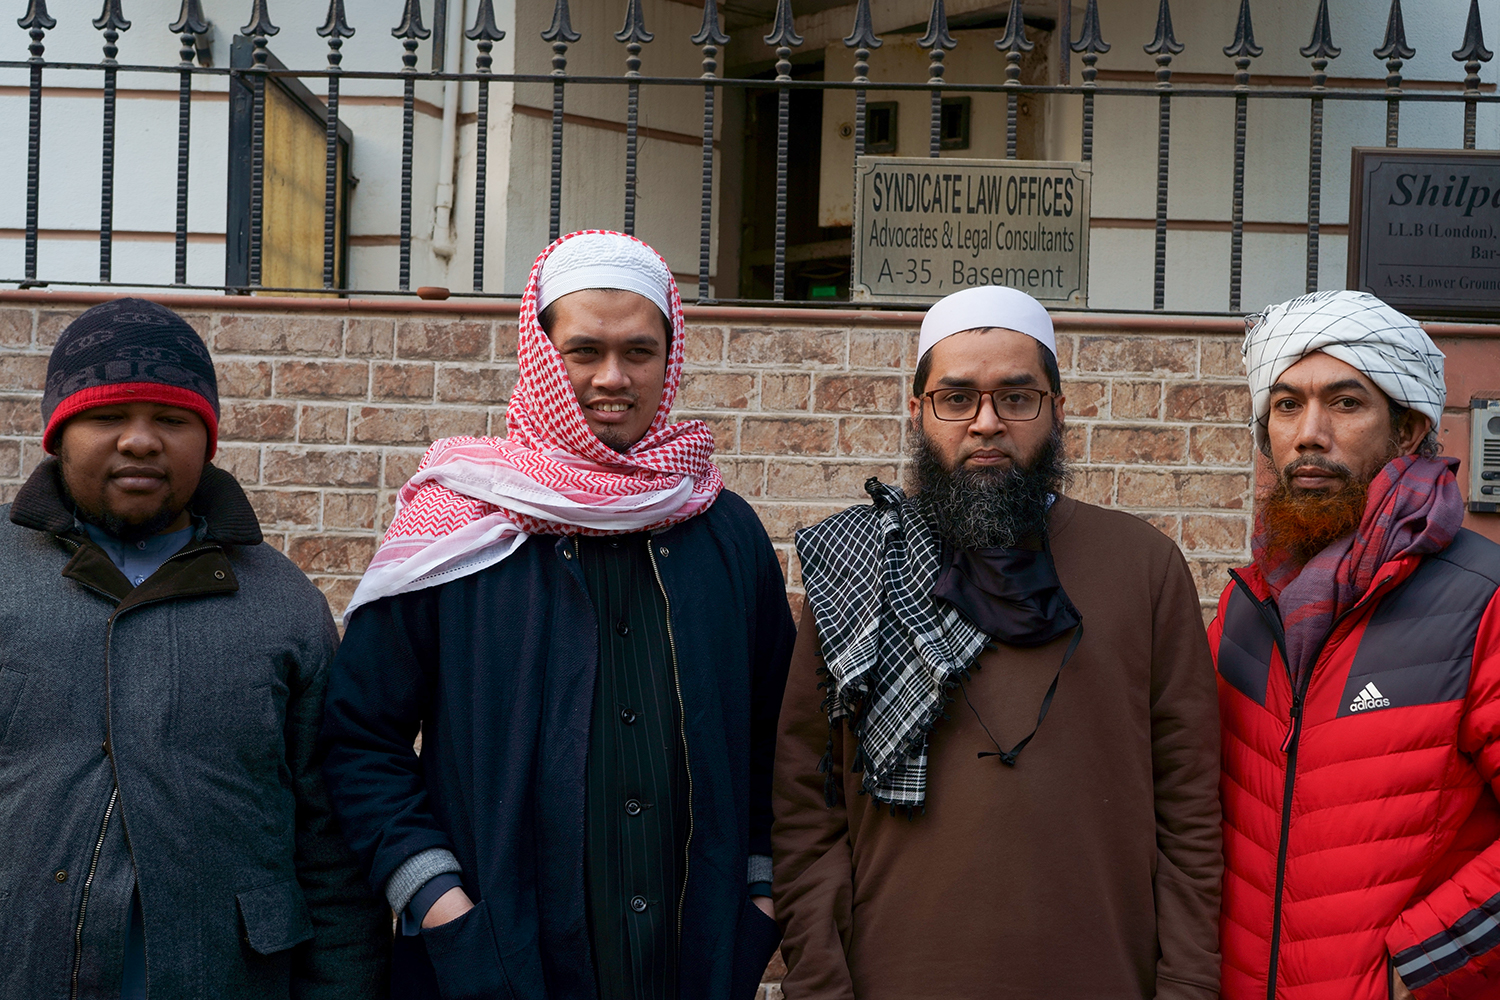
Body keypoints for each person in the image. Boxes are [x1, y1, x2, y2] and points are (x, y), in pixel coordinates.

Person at [321, 230, 796, 1000]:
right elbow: (358, 737)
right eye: (584, 351)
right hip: (493, 962)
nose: (613, 378)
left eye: (639, 352)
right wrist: (440, 902)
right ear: (542, 354)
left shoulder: (723, 530)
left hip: (694, 963)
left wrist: (759, 896)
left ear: (669, 358)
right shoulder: (460, 522)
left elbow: (781, 740)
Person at [772, 285, 1223, 1000]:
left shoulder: (1142, 564)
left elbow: (1192, 810)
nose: (986, 423)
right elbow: (805, 803)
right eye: (957, 398)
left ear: (1059, 411)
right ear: (918, 412)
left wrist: (1188, 985)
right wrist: (822, 982)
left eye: (1017, 398)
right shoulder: (858, 565)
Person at [0, 299, 389, 1000]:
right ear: (58, 433)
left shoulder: (283, 605)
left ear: (207, 439)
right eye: (108, 416)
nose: (142, 441)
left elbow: (328, 846)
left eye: (173, 420)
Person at [1214, 290, 1500, 1000]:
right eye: (1286, 405)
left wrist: (1422, 961)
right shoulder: (1248, 605)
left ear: (1406, 431)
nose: (1309, 432)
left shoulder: (1481, 601)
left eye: (1345, 403)